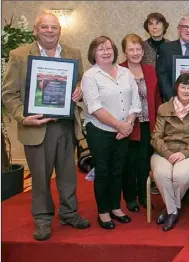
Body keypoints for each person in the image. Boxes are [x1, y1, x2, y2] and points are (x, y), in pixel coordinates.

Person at [1, 12, 89, 240]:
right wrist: (22, 117)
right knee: (40, 176)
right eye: (45, 27)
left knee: (68, 175)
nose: (50, 31)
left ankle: (69, 213)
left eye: (54, 27)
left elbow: (79, 81)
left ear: (60, 30)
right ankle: (42, 219)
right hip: (36, 126)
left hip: (65, 125)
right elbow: (8, 93)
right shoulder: (19, 55)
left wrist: (79, 89)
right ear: (35, 30)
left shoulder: (73, 53)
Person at [81, 36, 142, 229]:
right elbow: (95, 108)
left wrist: (129, 123)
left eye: (108, 48)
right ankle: (103, 212)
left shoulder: (125, 73)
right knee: (103, 171)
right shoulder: (90, 76)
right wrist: (120, 125)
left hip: (123, 130)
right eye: (101, 49)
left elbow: (135, 102)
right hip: (100, 131)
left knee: (118, 170)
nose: (106, 52)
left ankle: (116, 207)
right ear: (93, 53)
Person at [150, 74, 189, 232]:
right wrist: (168, 153)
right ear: (177, 87)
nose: (186, 90)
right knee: (161, 174)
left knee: (181, 176)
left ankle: (169, 209)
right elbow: (156, 136)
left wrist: (185, 153)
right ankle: (173, 210)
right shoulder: (164, 108)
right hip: (164, 152)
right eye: (183, 86)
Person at [119, 34, 161, 212]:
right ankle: (129, 198)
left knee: (144, 162)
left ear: (143, 51)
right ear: (124, 52)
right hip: (127, 126)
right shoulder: (118, 70)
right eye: (131, 49)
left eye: (138, 49)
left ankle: (144, 196)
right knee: (129, 163)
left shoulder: (150, 70)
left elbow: (156, 98)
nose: (135, 53)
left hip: (147, 124)